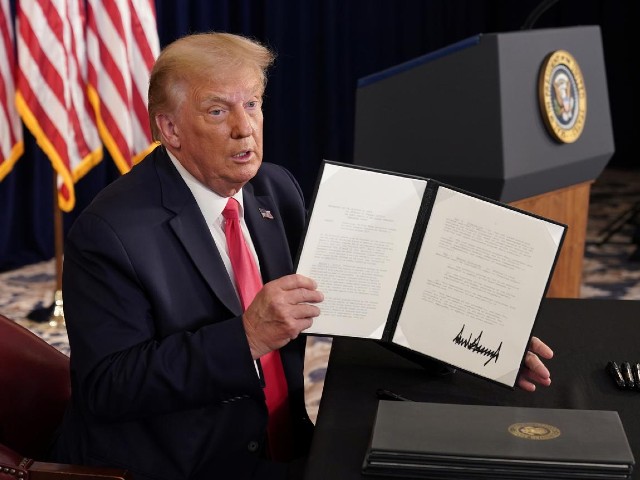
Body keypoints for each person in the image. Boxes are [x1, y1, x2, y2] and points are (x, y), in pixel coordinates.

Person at [50, 32, 553, 480]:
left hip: (285, 438)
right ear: (171, 130)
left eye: (253, 103)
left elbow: (361, 295)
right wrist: (245, 336)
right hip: (187, 463)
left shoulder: (275, 189)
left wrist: (475, 338)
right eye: (219, 111)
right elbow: (107, 388)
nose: (245, 129)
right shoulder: (110, 233)